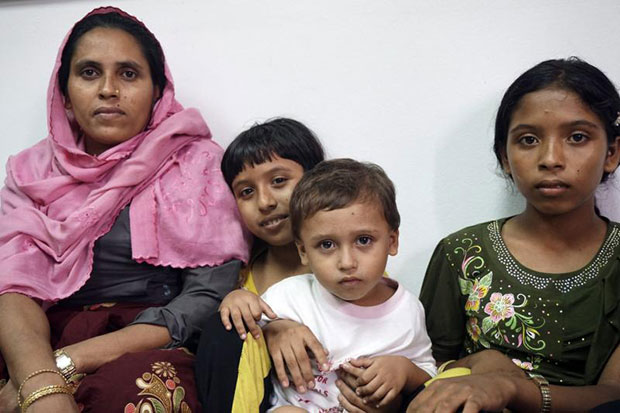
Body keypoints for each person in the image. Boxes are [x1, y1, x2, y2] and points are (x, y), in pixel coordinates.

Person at [0, 7, 249, 413]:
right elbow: (12, 287)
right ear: (63, 93)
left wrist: (67, 364)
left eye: (129, 74)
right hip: (38, 336)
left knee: (139, 395)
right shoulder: (31, 173)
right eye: (89, 73)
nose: (108, 89)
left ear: (157, 90)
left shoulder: (197, 163)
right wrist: (39, 379)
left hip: (148, 338)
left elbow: (208, 296)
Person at [409, 58, 620, 412]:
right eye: (528, 139)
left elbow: (615, 395)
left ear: (611, 153)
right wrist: (482, 362)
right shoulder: (462, 253)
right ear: (504, 157)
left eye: (577, 137)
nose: (551, 158)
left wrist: (512, 388)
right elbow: (423, 371)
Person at [261, 158, 437, 412]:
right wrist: (271, 327)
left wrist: (404, 370)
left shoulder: (407, 310)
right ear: (303, 251)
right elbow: (239, 334)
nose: (347, 262)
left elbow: (428, 375)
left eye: (363, 240)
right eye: (327, 245)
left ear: (392, 241)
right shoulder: (290, 295)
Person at [194, 118, 326, 412]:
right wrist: (264, 326)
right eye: (246, 192)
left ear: (316, 180)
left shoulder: (348, 265)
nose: (264, 202)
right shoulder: (238, 275)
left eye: (279, 181)